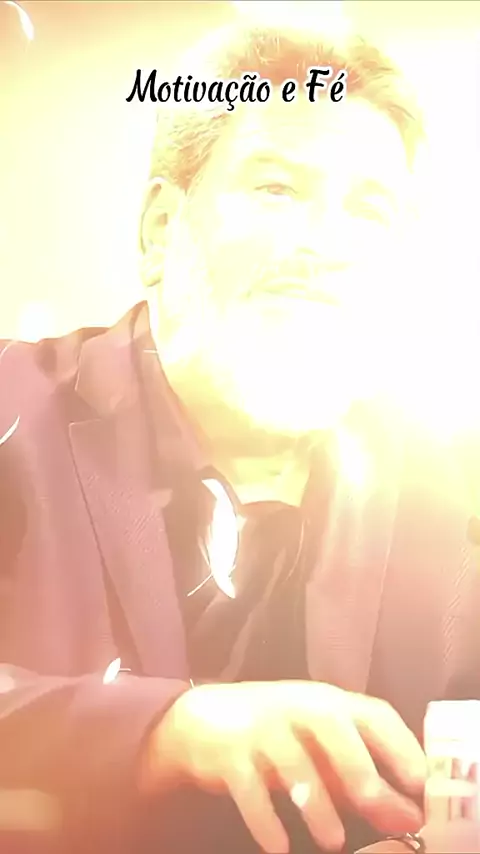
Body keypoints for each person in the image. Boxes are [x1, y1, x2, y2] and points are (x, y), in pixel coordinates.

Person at [1, 18, 479, 854]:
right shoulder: (12, 412)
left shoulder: (449, 484)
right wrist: (162, 730)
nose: (326, 245)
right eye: (276, 189)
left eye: (369, 209)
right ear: (160, 228)